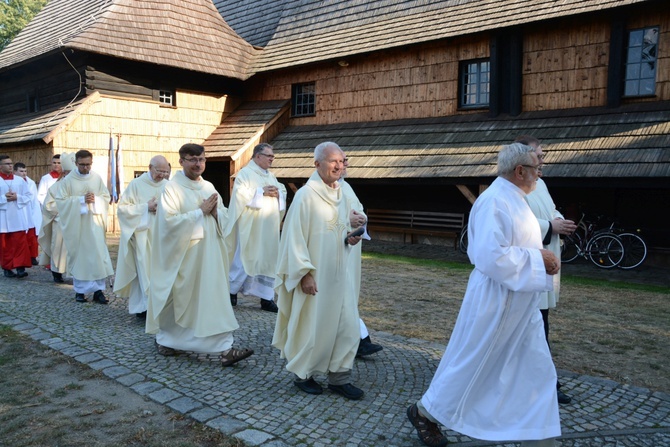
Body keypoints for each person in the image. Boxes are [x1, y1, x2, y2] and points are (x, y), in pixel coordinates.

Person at [407, 143, 562, 447]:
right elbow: (491, 256)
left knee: (536, 370)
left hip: (522, 304)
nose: (540, 173)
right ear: (520, 171)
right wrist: (538, 260)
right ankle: (426, 412)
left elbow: (516, 243)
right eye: (536, 168)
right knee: (475, 364)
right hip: (498, 301)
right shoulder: (495, 201)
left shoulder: (516, 199)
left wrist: (538, 254)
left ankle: (539, 437)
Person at [272, 141, 365, 400]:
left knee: (346, 324)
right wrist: (304, 274)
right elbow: (293, 237)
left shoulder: (346, 191)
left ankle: (339, 377)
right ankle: (304, 374)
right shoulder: (306, 195)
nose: (339, 165)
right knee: (313, 324)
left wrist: (357, 230)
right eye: (333, 161)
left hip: (342, 274)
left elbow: (357, 220)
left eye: (342, 161)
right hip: (316, 276)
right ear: (317, 164)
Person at [146, 143, 253, 367]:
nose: (198, 164)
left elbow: (224, 216)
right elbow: (167, 225)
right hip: (183, 258)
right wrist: (199, 212)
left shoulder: (209, 186)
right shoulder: (172, 189)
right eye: (192, 159)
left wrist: (215, 213)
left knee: (213, 299)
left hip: (209, 256)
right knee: (179, 299)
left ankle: (224, 348)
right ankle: (167, 339)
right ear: (181, 161)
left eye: (202, 159)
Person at [516, 135, 577, 405]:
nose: (543, 161)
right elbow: (517, 222)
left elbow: (551, 210)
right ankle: (544, 382)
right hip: (528, 264)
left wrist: (560, 221)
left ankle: (544, 380)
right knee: (534, 327)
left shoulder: (540, 184)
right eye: (539, 156)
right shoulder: (515, 187)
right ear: (524, 158)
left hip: (546, 261)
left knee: (541, 324)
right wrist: (549, 227)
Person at [224, 143, 286, 313]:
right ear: (258, 156)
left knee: (268, 259)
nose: (272, 159)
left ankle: (266, 298)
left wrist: (279, 193)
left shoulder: (271, 176)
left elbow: (282, 191)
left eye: (272, 156)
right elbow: (239, 195)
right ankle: (231, 292)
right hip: (250, 226)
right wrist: (260, 192)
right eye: (269, 156)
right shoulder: (245, 173)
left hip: (268, 227)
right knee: (244, 258)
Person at [114, 155, 170, 319]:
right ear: (150, 167)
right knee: (144, 272)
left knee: (161, 272)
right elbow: (123, 209)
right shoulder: (136, 185)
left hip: (162, 236)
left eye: (165, 172)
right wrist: (146, 207)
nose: (162, 176)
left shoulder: (168, 186)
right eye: (159, 171)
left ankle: (159, 306)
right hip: (142, 237)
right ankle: (143, 307)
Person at [339, 154, 383, 358]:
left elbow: (357, 210)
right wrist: (347, 220)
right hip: (333, 251)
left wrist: (361, 218)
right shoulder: (316, 191)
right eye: (341, 160)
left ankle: (357, 341)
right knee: (343, 297)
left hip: (350, 249)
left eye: (346, 161)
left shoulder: (346, 186)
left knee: (347, 297)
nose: (346, 164)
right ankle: (360, 341)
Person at [55, 150, 114, 304]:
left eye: (88, 164)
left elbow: (106, 197)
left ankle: (98, 291)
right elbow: (61, 201)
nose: (86, 168)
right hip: (77, 226)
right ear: (76, 163)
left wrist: (96, 200)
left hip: (94, 224)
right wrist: (81, 200)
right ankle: (80, 291)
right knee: (80, 257)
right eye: (82, 165)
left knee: (97, 256)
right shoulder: (68, 181)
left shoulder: (96, 178)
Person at [38, 153, 75, 283]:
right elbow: (48, 205)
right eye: (69, 171)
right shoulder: (57, 186)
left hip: (77, 222)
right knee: (58, 247)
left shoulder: (80, 184)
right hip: (61, 221)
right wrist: (66, 206)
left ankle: (76, 273)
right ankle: (56, 271)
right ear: (64, 172)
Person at [0, 155, 32, 278]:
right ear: (0, 166)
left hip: (17, 217)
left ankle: (20, 268)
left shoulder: (19, 181)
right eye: (7, 163)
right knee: (5, 246)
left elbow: (28, 196)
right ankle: (7, 268)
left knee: (20, 244)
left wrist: (17, 197)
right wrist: (4, 198)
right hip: (2, 218)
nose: (10, 165)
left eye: (11, 163)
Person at [13, 162, 41, 265]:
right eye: (21, 171)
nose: (24, 173)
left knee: (32, 236)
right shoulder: (13, 182)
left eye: (25, 171)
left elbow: (33, 198)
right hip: (18, 211)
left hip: (30, 211)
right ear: (15, 172)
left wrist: (36, 213)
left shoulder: (31, 182)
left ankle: (33, 256)